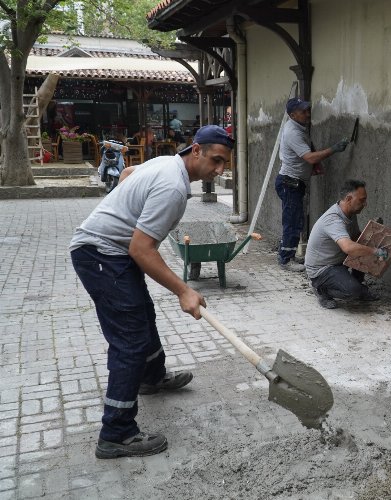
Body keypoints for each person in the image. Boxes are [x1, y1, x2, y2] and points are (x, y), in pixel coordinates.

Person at [69, 125, 234, 459]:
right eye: (216, 160)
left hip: (112, 252)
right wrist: (183, 290)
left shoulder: (166, 163)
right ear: (197, 150)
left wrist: (123, 206)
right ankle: (116, 433)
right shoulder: (173, 187)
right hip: (100, 254)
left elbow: (129, 172)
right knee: (129, 340)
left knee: (143, 313)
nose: (218, 170)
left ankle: (151, 377)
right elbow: (142, 250)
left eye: (225, 164)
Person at [275, 97, 350, 272]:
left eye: (308, 110)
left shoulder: (298, 127)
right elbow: (308, 157)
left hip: (293, 182)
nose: (308, 114)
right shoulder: (293, 132)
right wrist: (334, 149)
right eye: (303, 111)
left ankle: (287, 254)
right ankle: (286, 260)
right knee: (292, 221)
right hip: (290, 182)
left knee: (294, 219)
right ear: (292, 115)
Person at [305, 180, 388, 309]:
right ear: (349, 199)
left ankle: (358, 286)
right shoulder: (333, 220)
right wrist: (375, 251)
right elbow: (349, 247)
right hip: (322, 270)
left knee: (363, 249)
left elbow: (357, 238)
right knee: (353, 291)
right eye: (362, 200)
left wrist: (373, 236)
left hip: (337, 263)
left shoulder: (350, 214)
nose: (365, 204)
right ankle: (321, 290)